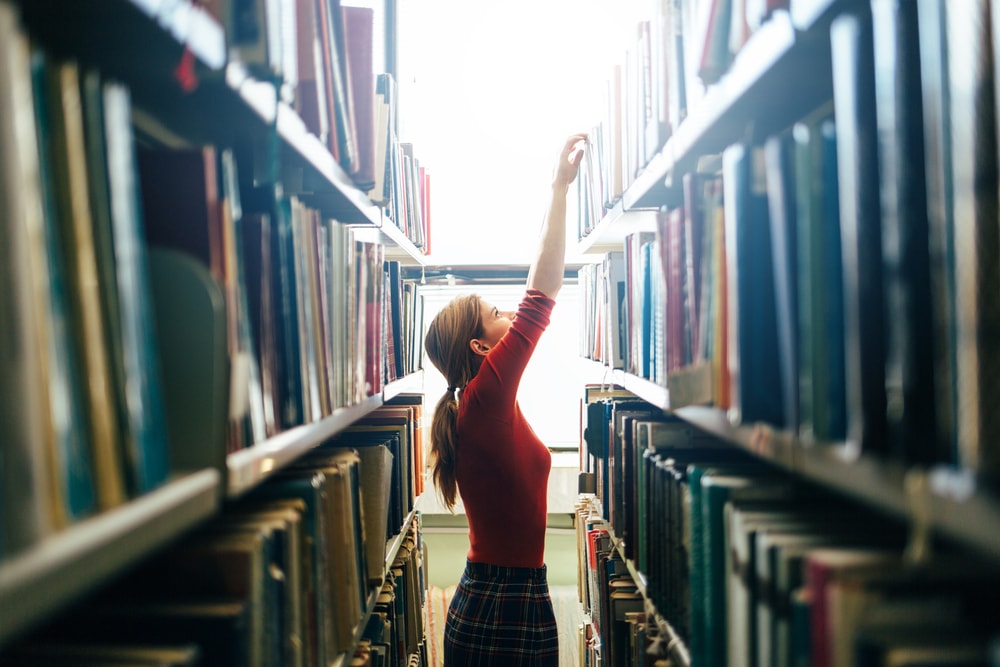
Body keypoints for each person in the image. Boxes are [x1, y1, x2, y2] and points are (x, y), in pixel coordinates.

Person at [423, 132, 587, 666]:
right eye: (498, 315)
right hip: (504, 604)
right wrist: (559, 188)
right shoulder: (485, 395)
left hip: (507, 596)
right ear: (480, 347)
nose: (511, 318)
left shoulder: (481, 404)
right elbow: (542, 290)